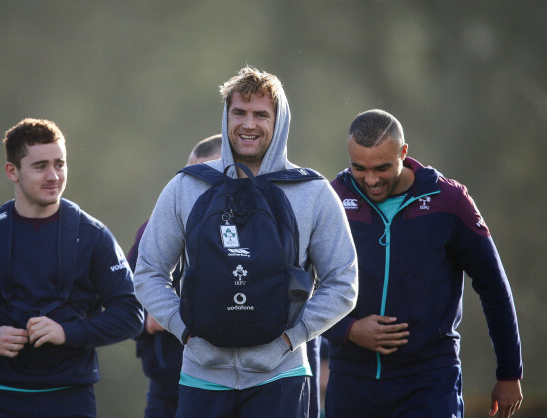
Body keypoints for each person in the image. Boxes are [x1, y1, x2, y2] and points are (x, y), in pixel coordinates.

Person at [133, 66, 358, 417]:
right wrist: (185, 332)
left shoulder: (312, 193)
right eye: (239, 112)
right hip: (201, 377)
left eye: (260, 115)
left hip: (280, 376)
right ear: (226, 117)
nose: (248, 124)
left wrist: (289, 340)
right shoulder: (186, 187)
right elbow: (148, 272)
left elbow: (343, 283)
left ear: (279, 120)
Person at [0, 118, 144, 417]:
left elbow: (132, 314)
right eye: (40, 166)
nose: (53, 175)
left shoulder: (93, 236)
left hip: (71, 398)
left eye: (60, 163)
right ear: (12, 171)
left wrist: (67, 332)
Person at [325, 109, 523, 418]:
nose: (371, 179)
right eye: (359, 168)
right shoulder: (333, 199)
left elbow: (493, 286)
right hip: (351, 381)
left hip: (429, 382)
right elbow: (299, 284)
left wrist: (509, 372)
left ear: (403, 152)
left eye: (382, 167)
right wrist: (346, 330)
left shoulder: (448, 200)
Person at [127, 134, 222, 418]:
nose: (191, 185)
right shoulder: (155, 228)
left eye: (204, 175)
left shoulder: (249, 230)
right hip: (167, 389)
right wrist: (148, 321)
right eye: (188, 174)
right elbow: (122, 302)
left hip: (227, 384)